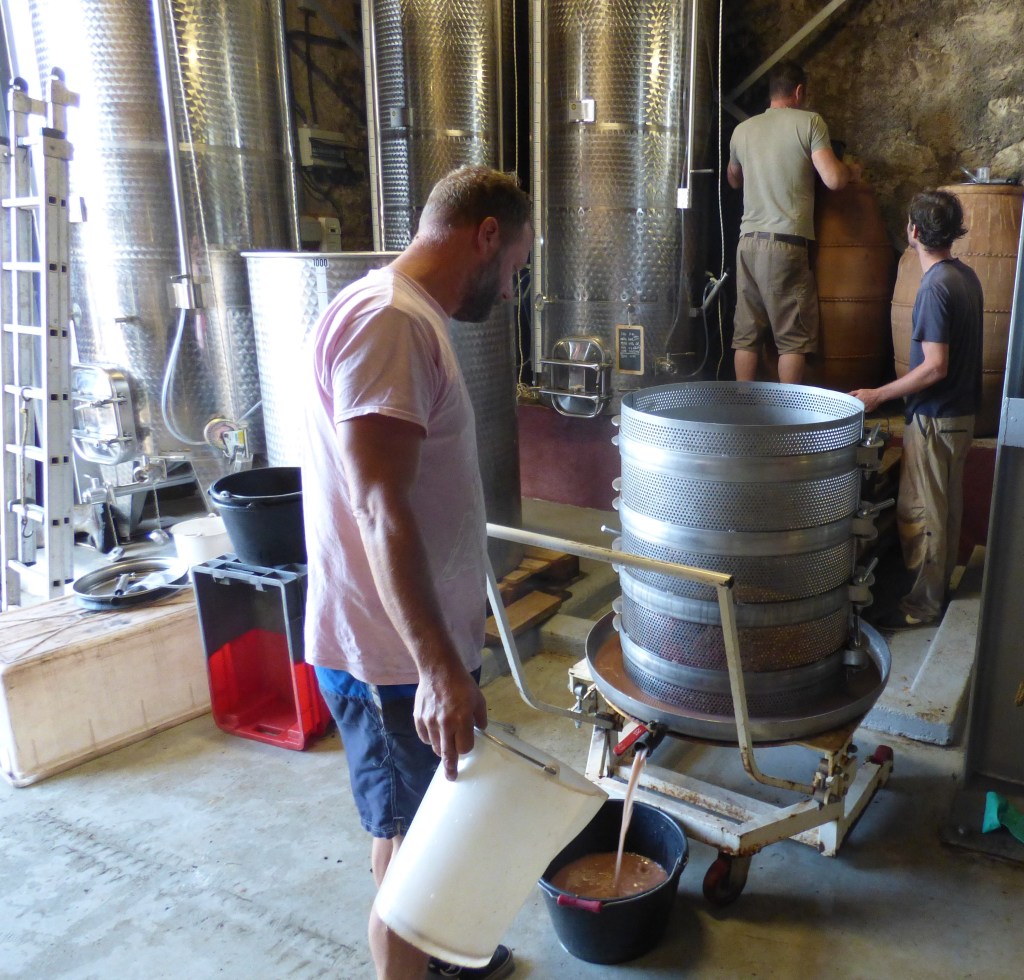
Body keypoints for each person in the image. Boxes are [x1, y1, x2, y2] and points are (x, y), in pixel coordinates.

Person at [300, 165, 532, 980]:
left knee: (421, 830)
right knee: (408, 856)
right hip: (392, 661)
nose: (510, 291)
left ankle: (440, 955)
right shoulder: (389, 322)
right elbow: (378, 508)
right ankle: (411, 961)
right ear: (486, 236)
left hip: (406, 651)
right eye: (514, 269)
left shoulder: (400, 315)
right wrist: (437, 669)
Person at [850, 190, 983, 630]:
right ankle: (934, 594)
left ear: (913, 231)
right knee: (943, 509)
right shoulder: (965, 276)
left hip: (936, 417)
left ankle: (922, 607)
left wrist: (878, 395)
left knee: (925, 514)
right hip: (958, 415)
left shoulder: (935, 286)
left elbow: (935, 366)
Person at [727, 59, 857, 383]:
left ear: (772, 92)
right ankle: (788, 410)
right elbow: (833, 180)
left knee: (746, 336)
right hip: (784, 245)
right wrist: (849, 170)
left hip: (747, 244)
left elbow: (733, 179)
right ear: (799, 92)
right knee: (792, 339)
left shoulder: (742, 130)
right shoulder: (810, 122)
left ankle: (740, 405)